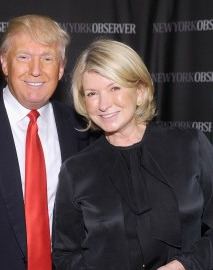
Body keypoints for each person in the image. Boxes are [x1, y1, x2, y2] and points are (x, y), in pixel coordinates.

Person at [0, 15, 97, 270]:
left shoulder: (82, 127)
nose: (35, 70)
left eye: (47, 58)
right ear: (5, 63)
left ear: (60, 68)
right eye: (24, 57)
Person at [52, 39, 213, 270]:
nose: (103, 104)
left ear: (140, 91)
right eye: (92, 93)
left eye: (115, 88)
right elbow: (65, 255)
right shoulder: (76, 170)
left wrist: (186, 265)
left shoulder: (190, 145)